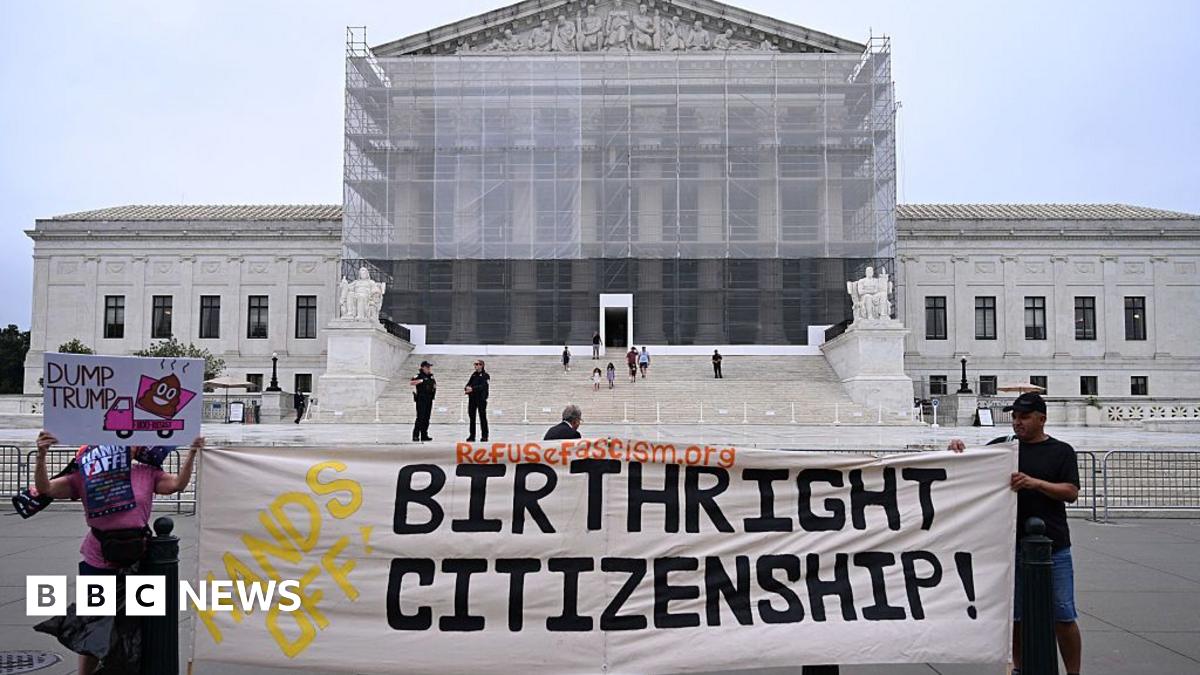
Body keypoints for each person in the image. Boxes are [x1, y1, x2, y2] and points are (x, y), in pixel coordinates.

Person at [33, 430, 202, 675]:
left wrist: (192, 454)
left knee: (138, 623)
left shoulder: (146, 473)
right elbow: (46, 489)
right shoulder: (87, 475)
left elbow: (177, 485)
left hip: (138, 558)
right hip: (98, 558)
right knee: (94, 623)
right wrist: (41, 455)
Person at [948, 392, 1081, 675]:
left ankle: (1073, 672)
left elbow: (1070, 492)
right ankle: (1019, 668)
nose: (1017, 423)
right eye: (1015, 417)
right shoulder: (1004, 447)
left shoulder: (1062, 451)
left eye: (1024, 417)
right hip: (1009, 545)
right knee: (1016, 616)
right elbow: (972, 463)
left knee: (1063, 615)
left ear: (1042, 419)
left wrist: (1035, 483)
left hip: (1054, 546)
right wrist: (958, 449)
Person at [409, 361, 436, 442]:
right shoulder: (419, 375)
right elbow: (411, 382)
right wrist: (421, 381)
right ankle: (415, 435)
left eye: (429, 367)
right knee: (420, 417)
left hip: (429, 399)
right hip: (421, 399)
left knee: (427, 418)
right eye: (427, 367)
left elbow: (434, 385)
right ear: (423, 367)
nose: (429, 368)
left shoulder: (431, 376)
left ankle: (424, 435)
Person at [464, 359, 489, 442]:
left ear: (482, 365)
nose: (476, 366)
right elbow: (469, 383)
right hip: (472, 399)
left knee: (482, 417)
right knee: (472, 418)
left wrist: (472, 389)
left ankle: (484, 436)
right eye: (475, 364)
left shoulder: (485, 376)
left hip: (481, 399)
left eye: (478, 364)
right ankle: (472, 435)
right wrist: (467, 388)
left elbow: (483, 386)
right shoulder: (474, 375)